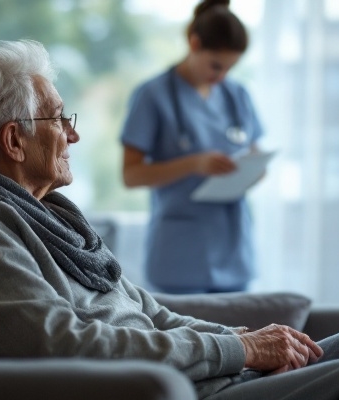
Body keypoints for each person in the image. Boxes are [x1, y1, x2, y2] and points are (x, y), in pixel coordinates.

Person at [0, 39, 339, 400]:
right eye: (58, 118)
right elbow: (61, 343)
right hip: (172, 390)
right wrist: (240, 351)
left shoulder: (44, 215)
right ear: (13, 140)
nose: (72, 134)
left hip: (200, 374)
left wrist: (243, 339)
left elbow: (149, 312)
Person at [119, 0, 263, 294]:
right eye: (216, 65)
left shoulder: (237, 95)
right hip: (178, 258)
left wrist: (253, 169)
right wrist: (194, 164)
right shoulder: (152, 96)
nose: (221, 76)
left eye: (230, 68)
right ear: (194, 43)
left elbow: (253, 150)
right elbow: (131, 175)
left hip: (234, 252)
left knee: (244, 339)